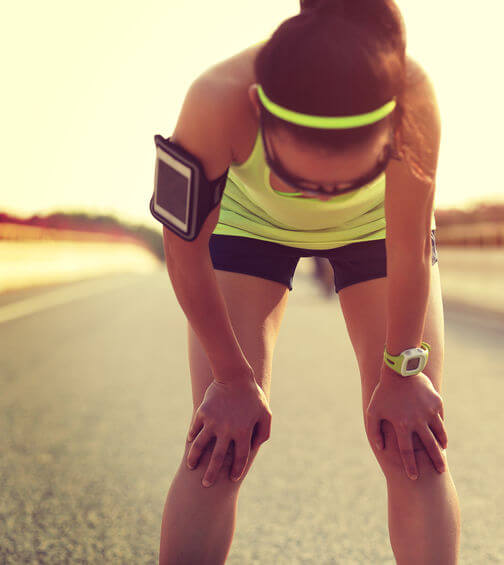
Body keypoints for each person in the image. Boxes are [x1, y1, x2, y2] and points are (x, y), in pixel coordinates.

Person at [156, 1, 460, 563]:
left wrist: (402, 371)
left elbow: (412, 247)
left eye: (346, 179)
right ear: (257, 111)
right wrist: (230, 378)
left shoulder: (413, 94)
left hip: (378, 227)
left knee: (410, 442)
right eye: (297, 178)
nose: (321, 198)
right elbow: (183, 248)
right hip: (251, 218)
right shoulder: (214, 97)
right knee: (220, 447)